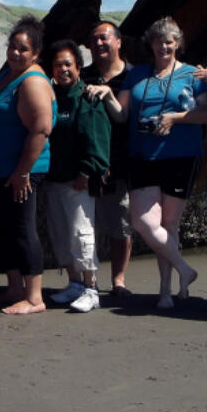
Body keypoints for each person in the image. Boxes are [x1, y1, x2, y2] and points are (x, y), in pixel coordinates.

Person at [92, 17, 207, 309]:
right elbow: (122, 115)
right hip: (143, 156)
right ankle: (185, 270)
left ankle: (166, 291)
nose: (164, 46)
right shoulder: (138, 76)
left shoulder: (192, 75)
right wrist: (107, 94)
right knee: (143, 222)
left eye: (169, 41)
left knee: (169, 224)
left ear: (178, 44)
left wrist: (175, 118)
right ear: (151, 44)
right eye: (159, 41)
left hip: (181, 156)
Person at [0, 16, 55, 315]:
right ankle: (13, 287)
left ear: (35, 53)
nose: (15, 53)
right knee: (3, 229)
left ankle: (34, 297)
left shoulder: (32, 81)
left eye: (23, 49)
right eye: (12, 47)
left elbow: (41, 129)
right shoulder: (8, 73)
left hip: (21, 171)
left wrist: (22, 173)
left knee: (22, 229)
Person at [43, 40, 110, 313]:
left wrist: (87, 170)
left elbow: (99, 139)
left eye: (68, 64)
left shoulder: (87, 98)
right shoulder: (52, 96)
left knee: (82, 233)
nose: (63, 70)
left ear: (78, 67)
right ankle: (74, 283)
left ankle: (91, 287)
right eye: (58, 65)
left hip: (78, 180)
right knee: (60, 233)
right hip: (54, 178)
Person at [79, 21, 135, 302]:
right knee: (87, 225)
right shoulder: (83, 75)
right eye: (93, 39)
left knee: (120, 225)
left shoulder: (133, 76)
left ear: (118, 42)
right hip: (87, 163)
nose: (99, 43)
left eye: (104, 38)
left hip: (120, 162)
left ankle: (118, 279)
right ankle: (88, 280)